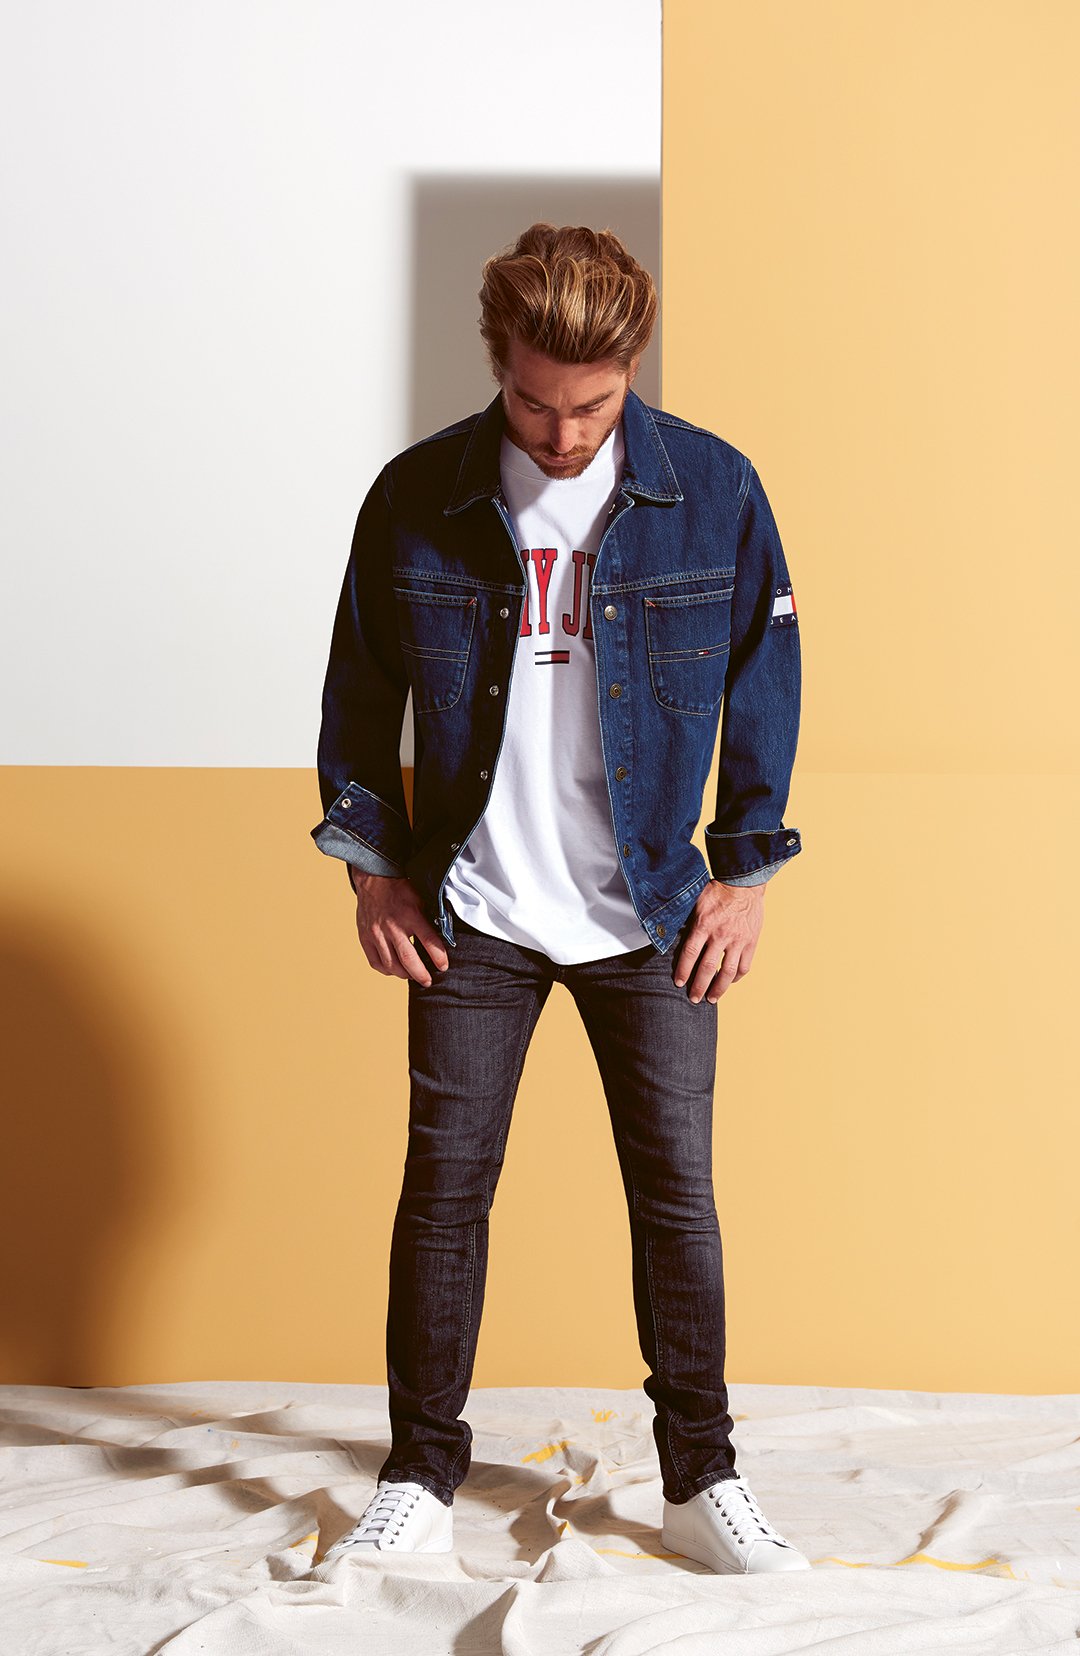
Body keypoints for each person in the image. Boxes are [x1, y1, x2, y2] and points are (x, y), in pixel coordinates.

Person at [311, 224, 806, 1577]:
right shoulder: (418, 495)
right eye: (537, 403)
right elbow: (357, 691)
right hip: (473, 912)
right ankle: (419, 1475)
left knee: (677, 1198)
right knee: (443, 1196)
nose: (567, 432)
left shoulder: (713, 488)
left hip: (650, 911)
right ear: (499, 367)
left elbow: (765, 681)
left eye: (595, 403)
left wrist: (744, 876)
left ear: (632, 367)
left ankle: (701, 1480)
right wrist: (372, 867)